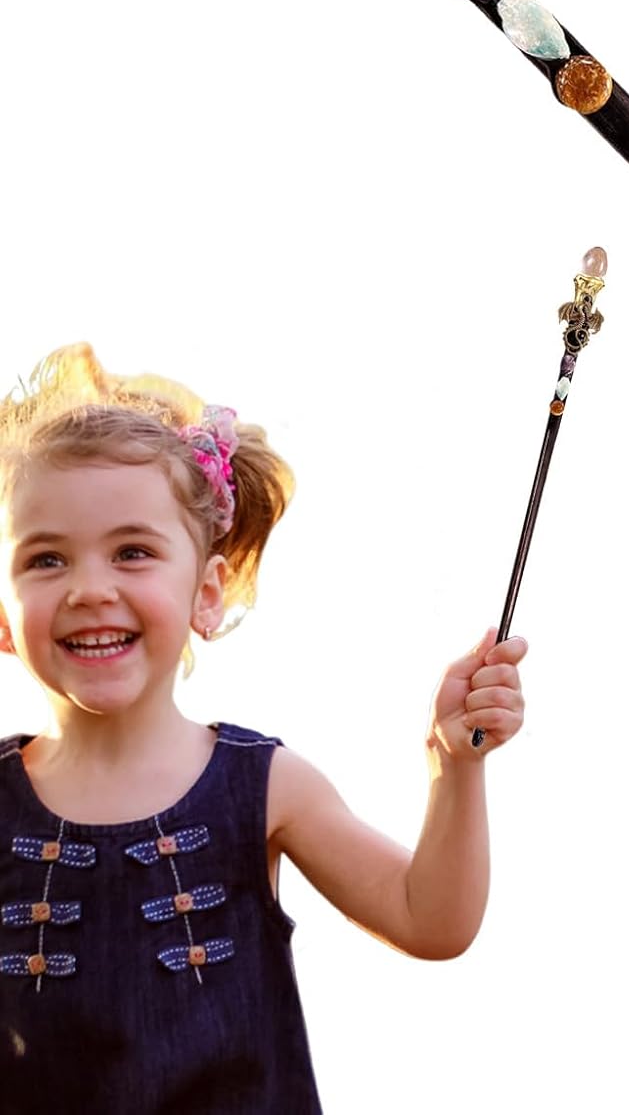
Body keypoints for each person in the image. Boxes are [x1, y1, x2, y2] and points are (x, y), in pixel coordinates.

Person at [0, 344, 526, 1112]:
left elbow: (431, 919)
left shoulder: (268, 786)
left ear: (206, 594)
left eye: (133, 552)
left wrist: (455, 761)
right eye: (46, 560)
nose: (90, 588)